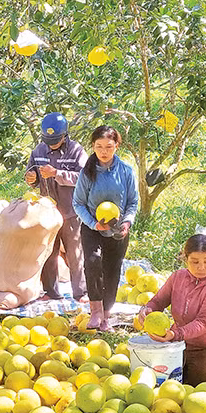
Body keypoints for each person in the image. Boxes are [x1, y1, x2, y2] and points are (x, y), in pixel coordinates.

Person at [137, 234, 206, 386]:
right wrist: (147, 309)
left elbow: (203, 322)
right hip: (178, 344)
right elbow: (159, 300)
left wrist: (175, 334)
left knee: (196, 379)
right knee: (156, 374)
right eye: (195, 261)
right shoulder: (178, 277)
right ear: (185, 259)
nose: (202, 267)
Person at [73, 125, 139, 331]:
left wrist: (127, 222)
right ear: (93, 147)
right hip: (92, 227)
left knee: (112, 269)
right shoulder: (87, 172)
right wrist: (94, 223)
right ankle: (95, 311)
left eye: (109, 147)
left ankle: (106, 316)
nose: (103, 151)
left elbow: (133, 203)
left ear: (117, 146)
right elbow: (78, 203)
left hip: (118, 230)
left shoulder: (126, 171)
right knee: (93, 263)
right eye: (99, 146)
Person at [25, 112, 88, 301]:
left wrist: (57, 173)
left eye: (55, 140)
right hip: (48, 212)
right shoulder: (38, 151)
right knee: (49, 253)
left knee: (75, 253)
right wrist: (32, 178)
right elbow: (30, 174)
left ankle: (81, 292)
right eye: (48, 140)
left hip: (71, 211)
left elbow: (85, 178)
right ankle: (51, 292)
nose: (51, 144)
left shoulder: (76, 151)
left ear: (64, 135)